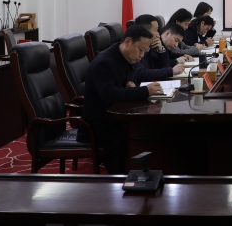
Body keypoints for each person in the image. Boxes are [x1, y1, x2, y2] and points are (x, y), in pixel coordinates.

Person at [77, 25, 165, 174]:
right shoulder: (104, 63)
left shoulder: (127, 58)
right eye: (140, 49)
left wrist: (131, 87)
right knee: (141, 133)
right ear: (128, 42)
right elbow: (110, 95)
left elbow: (130, 80)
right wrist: (143, 91)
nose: (142, 55)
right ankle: (122, 177)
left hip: (117, 116)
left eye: (145, 51)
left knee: (152, 129)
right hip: (101, 125)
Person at [134, 17, 186, 82]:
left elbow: (164, 67)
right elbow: (142, 73)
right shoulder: (135, 48)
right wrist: (171, 71)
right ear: (145, 31)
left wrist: (161, 50)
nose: (158, 35)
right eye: (156, 30)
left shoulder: (153, 46)